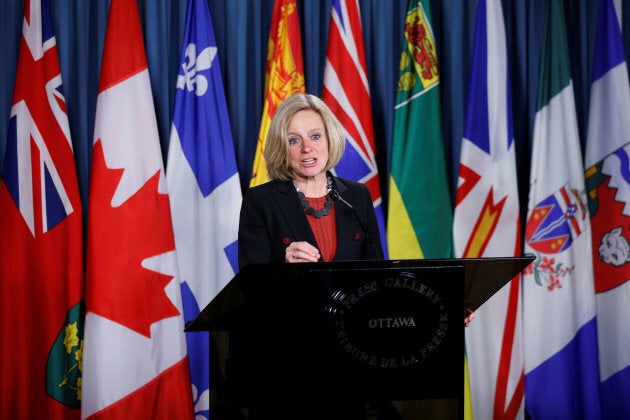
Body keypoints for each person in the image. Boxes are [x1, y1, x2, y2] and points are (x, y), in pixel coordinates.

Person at [238, 93, 383, 268]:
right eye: (294, 140)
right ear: (282, 147)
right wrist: (285, 268)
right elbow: (251, 285)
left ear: (330, 138)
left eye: (315, 136)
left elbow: (376, 273)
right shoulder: (260, 200)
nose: (307, 148)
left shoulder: (357, 195)